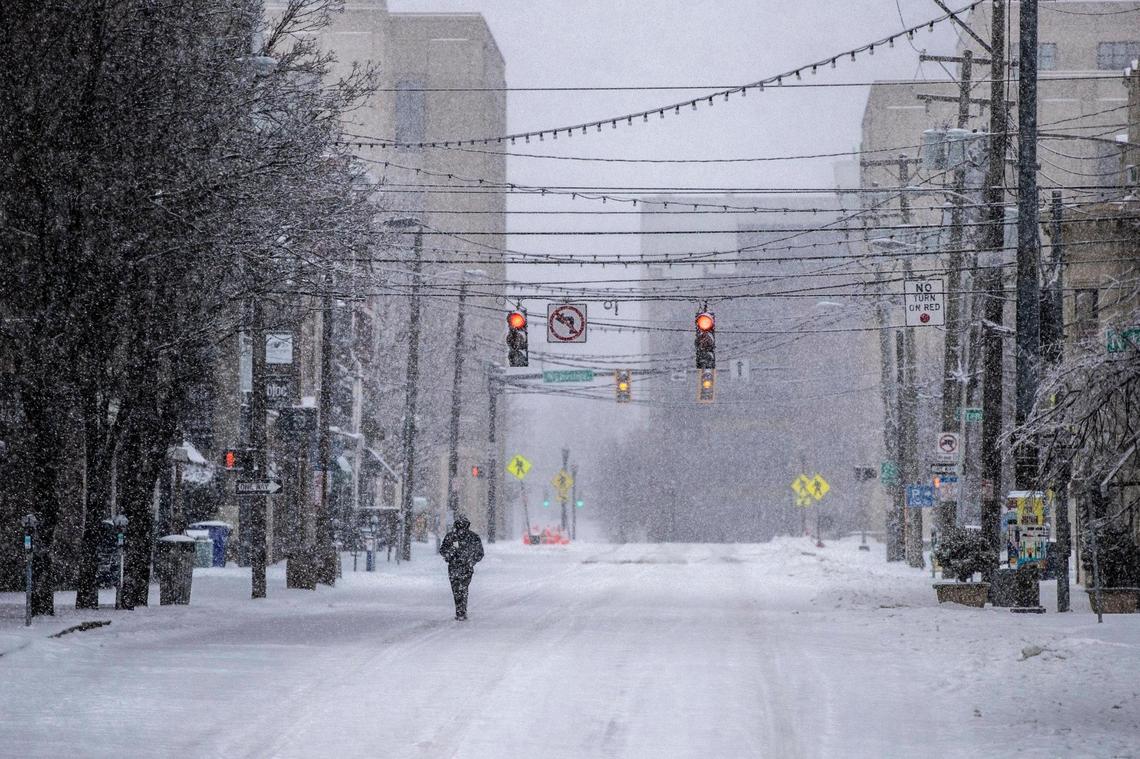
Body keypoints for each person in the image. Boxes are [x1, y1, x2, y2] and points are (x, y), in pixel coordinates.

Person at [440, 514, 484, 620]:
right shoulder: (453, 537)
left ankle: (461, 610)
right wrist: (450, 554)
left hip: (463, 567)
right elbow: (443, 550)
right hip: (456, 567)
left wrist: (471, 561)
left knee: (460, 589)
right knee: (459, 589)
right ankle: (460, 610)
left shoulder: (471, 537)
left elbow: (479, 553)